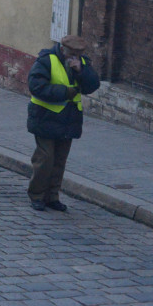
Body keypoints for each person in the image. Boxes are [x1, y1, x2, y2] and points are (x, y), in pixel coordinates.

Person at [26, 34, 100, 211]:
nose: (74, 58)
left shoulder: (81, 63)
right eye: (71, 55)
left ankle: (52, 197)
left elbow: (92, 85)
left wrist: (81, 71)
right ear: (62, 49)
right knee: (45, 159)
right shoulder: (46, 60)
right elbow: (36, 86)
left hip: (68, 120)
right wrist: (64, 92)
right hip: (45, 117)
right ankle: (37, 195)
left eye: (78, 55)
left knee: (59, 161)